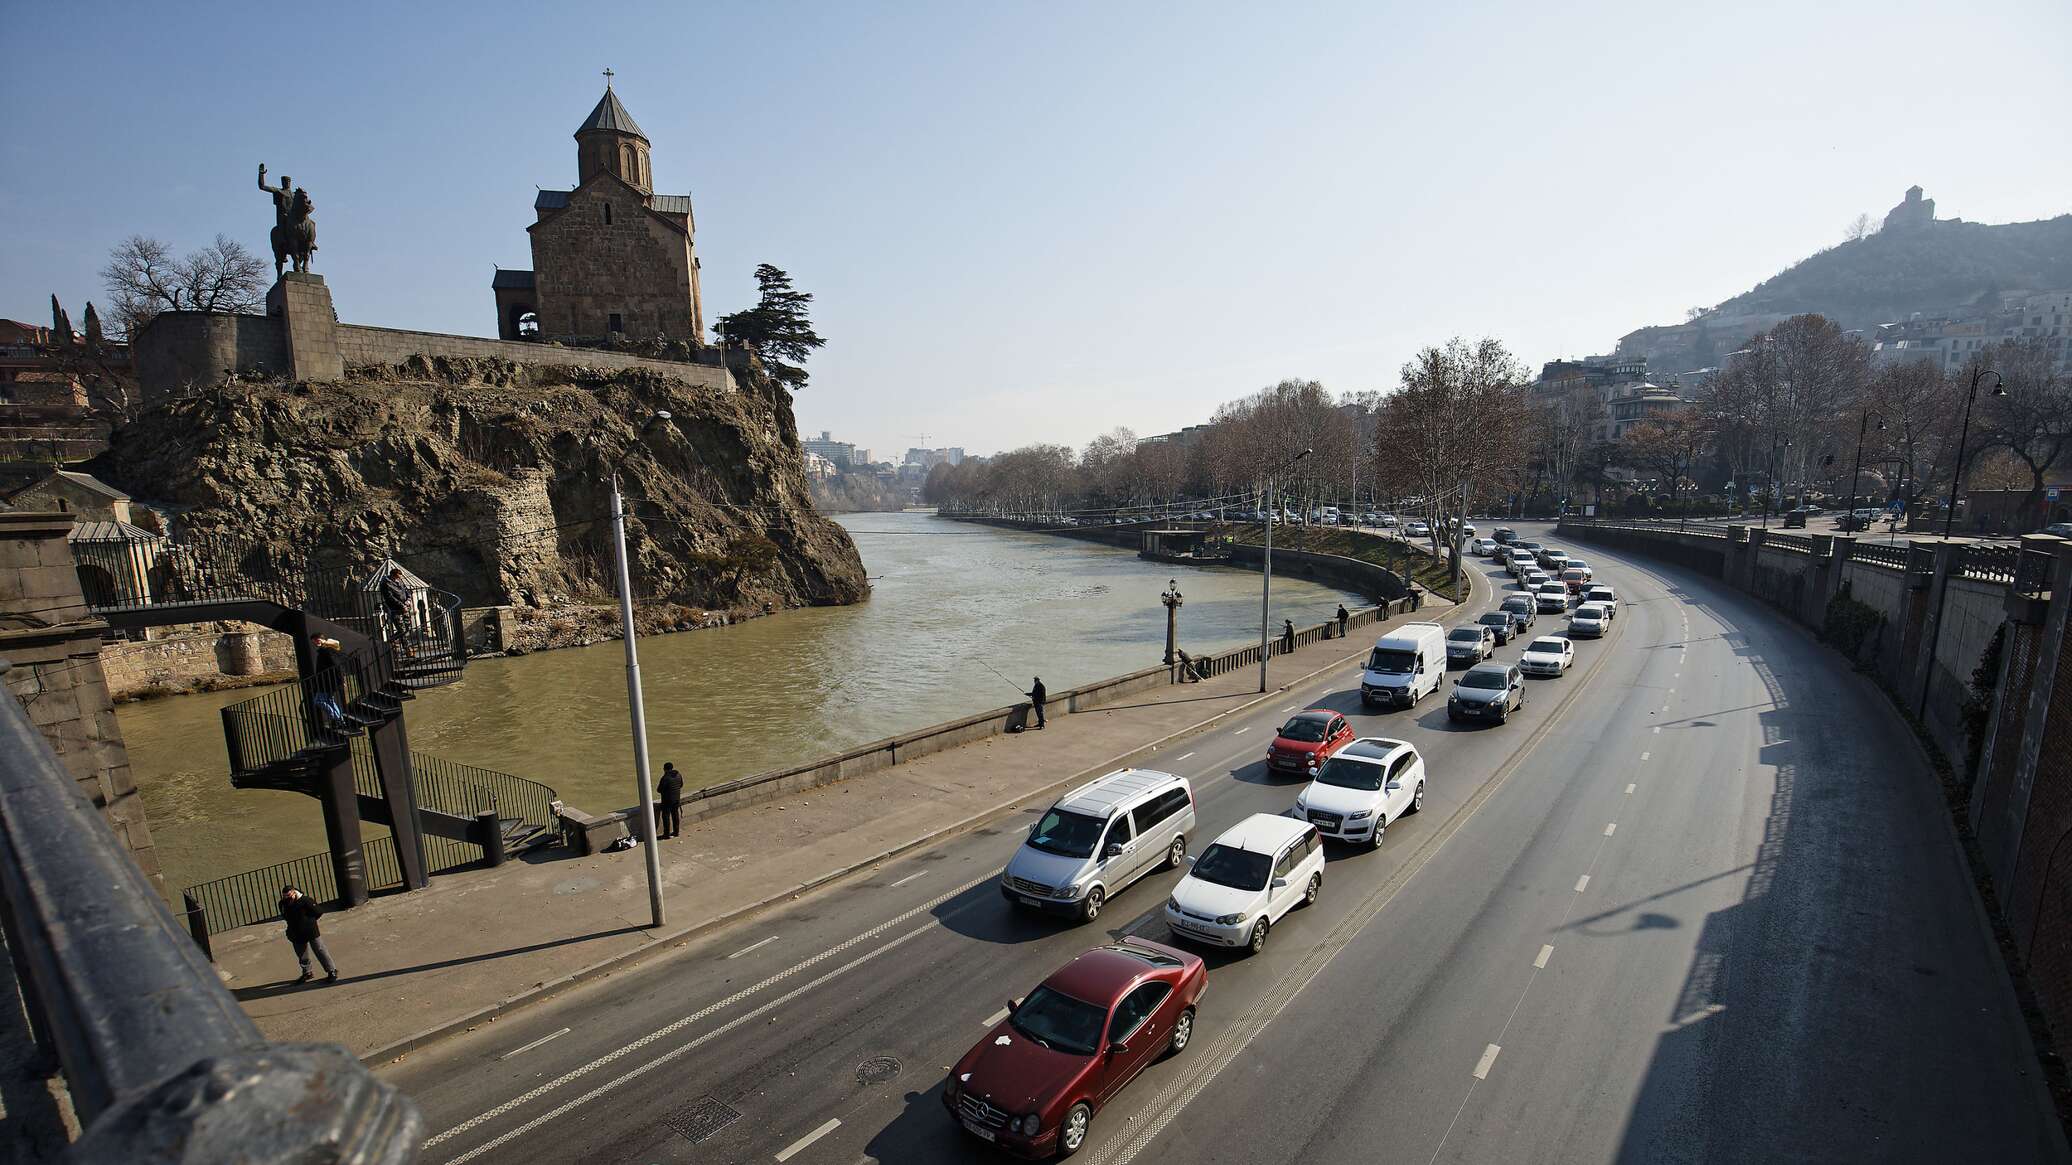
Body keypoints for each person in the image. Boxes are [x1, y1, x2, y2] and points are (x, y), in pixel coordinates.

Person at [278, 885, 337, 984]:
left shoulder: (306, 901)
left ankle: (332, 971)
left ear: (293, 892)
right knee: (302, 954)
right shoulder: (283, 903)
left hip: (310, 930)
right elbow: (285, 915)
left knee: (320, 950)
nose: (286, 898)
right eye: (284, 896)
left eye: (288, 895)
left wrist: (309, 921)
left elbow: (318, 911)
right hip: (295, 931)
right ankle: (307, 972)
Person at [309, 636, 350, 734]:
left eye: (315, 640)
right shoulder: (326, 650)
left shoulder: (326, 651)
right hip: (328, 681)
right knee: (330, 700)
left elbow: (336, 666)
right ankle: (340, 720)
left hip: (327, 682)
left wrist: (341, 680)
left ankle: (335, 717)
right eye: (314, 641)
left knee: (318, 701)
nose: (315, 643)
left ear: (320, 639)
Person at [380, 567, 414, 646]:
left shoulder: (399, 581)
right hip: (395, 610)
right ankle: (407, 648)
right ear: (393, 576)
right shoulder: (386, 584)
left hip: (405, 608)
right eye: (397, 578)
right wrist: (402, 605)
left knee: (407, 628)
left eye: (399, 578)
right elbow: (390, 598)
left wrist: (408, 599)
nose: (398, 580)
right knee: (402, 629)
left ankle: (391, 640)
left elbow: (406, 590)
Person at [657, 762, 684, 839]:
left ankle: (666, 834)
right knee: (675, 815)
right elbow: (681, 785)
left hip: (667, 801)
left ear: (665, 769)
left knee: (666, 817)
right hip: (676, 799)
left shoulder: (665, 778)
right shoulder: (678, 775)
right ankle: (676, 832)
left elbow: (659, 790)